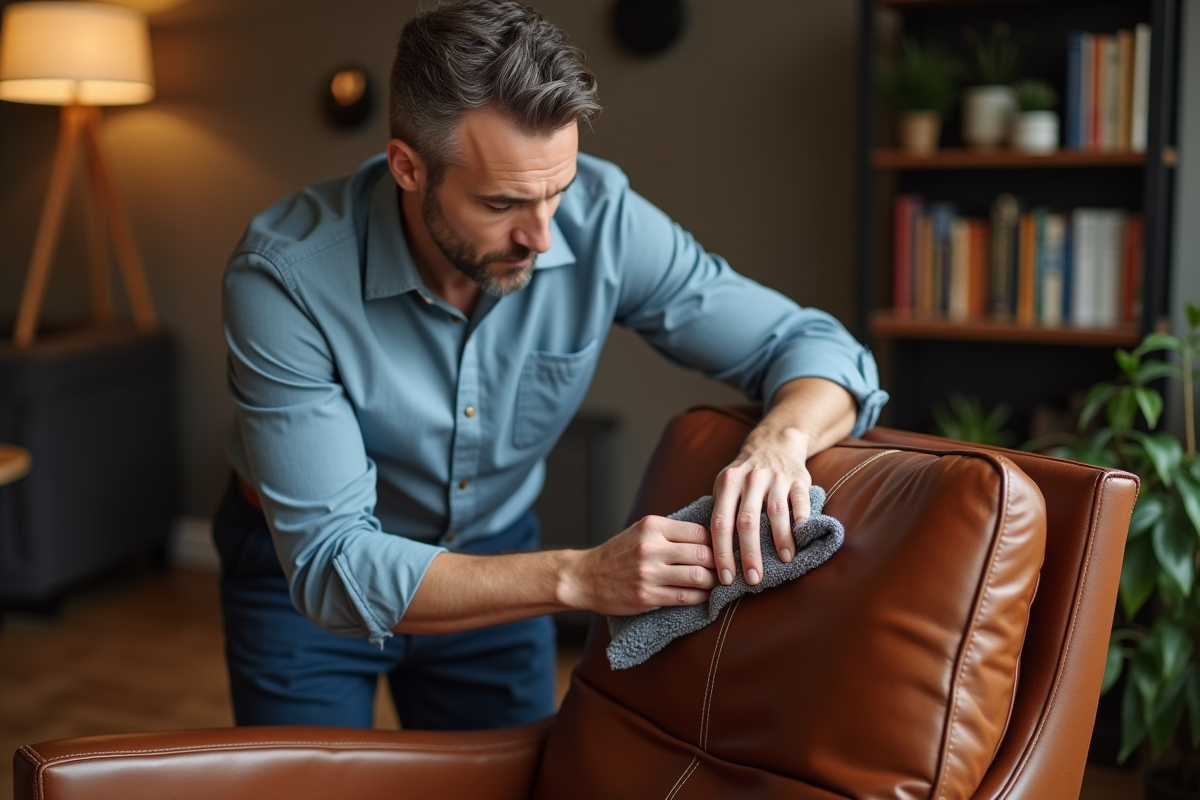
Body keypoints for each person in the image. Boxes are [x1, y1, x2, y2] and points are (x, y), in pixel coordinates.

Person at [217, 0, 887, 730]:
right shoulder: (284, 276)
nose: (541, 236)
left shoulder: (600, 219)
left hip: (496, 563)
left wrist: (779, 442)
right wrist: (583, 576)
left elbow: (819, 348)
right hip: (301, 581)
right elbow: (335, 568)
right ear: (407, 167)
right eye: (503, 202)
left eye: (555, 191)